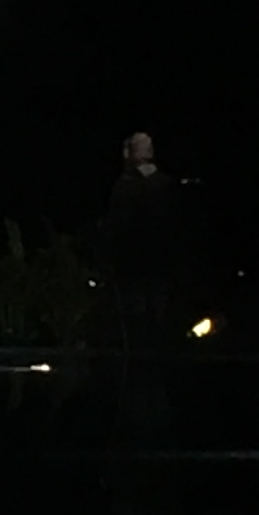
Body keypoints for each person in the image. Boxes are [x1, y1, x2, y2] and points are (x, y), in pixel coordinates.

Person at [101, 130, 182, 359]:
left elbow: (116, 226)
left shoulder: (126, 187)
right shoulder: (166, 185)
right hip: (160, 262)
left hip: (135, 263)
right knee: (159, 314)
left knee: (138, 317)